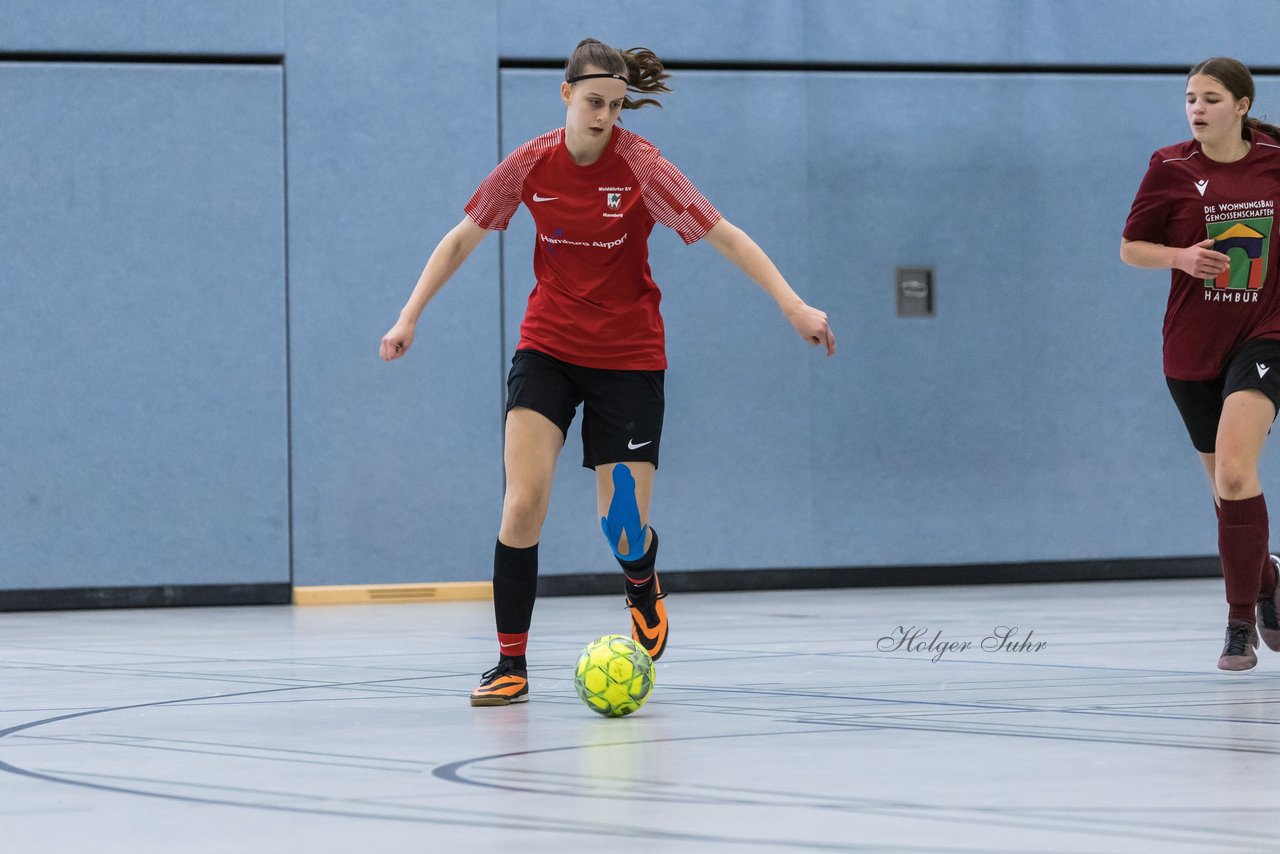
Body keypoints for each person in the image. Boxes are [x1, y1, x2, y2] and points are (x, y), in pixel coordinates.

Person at [380, 38, 835, 705]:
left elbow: (725, 234)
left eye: (617, 106)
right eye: (594, 102)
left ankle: (640, 581)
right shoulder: (530, 166)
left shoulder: (643, 168)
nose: (604, 117)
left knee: (620, 523)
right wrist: (408, 316)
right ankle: (510, 663)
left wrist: (793, 305)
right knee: (522, 502)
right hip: (549, 349)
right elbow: (460, 238)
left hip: (627, 358)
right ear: (566, 96)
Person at [1121, 57, 1280, 671]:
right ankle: (1264, 579)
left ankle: (1239, 622)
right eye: (1191, 98)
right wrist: (1182, 259)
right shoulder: (1170, 166)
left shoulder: (1273, 162)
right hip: (1192, 346)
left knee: (1238, 474)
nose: (1197, 107)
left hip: (1266, 337)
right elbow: (1131, 248)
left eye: (1211, 98)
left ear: (1241, 105)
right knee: (1224, 492)